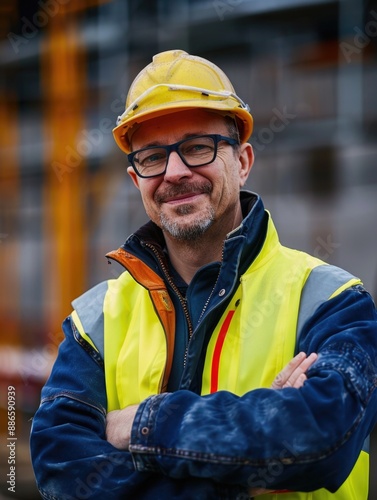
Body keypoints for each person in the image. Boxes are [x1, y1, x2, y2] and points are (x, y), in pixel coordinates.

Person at [30, 49, 377, 499]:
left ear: (243, 161)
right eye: (153, 157)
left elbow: (321, 437)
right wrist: (243, 471)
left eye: (197, 147)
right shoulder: (95, 322)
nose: (175, 172)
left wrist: (138, 424)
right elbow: (61, 467)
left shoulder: (332, 302)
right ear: (137, 181)